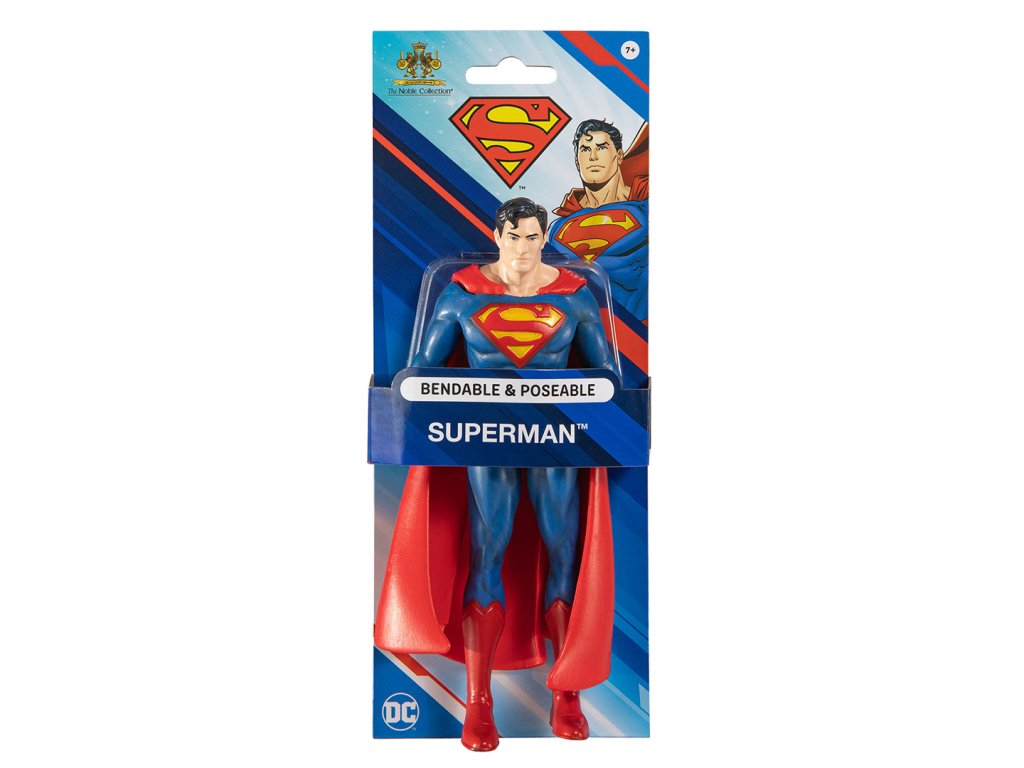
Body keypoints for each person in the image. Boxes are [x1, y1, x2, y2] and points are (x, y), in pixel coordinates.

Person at [375, 198, 616, 751]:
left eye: (533, 237)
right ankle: (478, 701)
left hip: (556, 445)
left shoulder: (575, 298)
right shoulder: (462, 295)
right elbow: (421, 374)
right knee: (489, 552)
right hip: (487, 442)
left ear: (545, 238)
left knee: (564, 554)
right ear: (497, 235)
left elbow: (606, 379)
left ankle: (567, 691)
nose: (524, 248)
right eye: (514, 237)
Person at [549, 120, 649, 320]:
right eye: (585, 150)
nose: (593, 156)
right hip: (582, 324)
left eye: (601, 147)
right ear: (577, 161)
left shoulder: (646, 207)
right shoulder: (556, 230)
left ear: (618, 156)